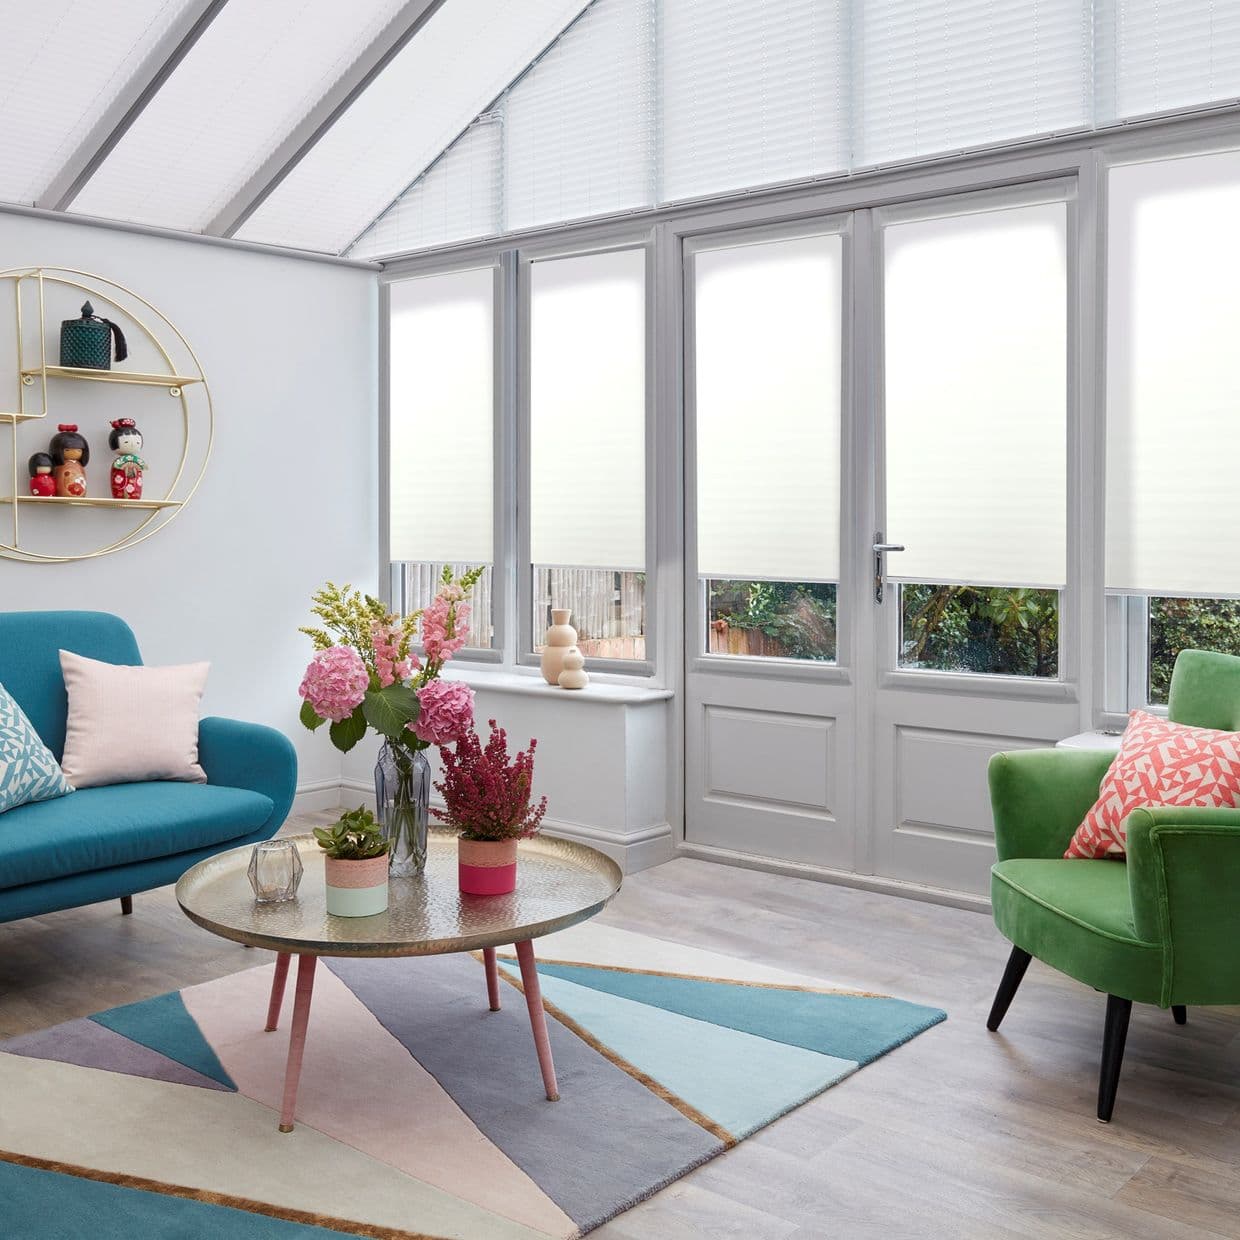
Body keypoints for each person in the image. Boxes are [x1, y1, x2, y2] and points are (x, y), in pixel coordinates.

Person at [108, 418, 146, 500]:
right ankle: (120, 495)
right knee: (119, 481)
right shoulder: (118, 462)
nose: (132, 445)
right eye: (126, 442)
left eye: (137, 442)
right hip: (122, 486)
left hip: (134, 485)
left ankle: (135, 495)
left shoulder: (136, 461)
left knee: (136, 482)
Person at [49, 424, 89, 498]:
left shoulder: (79, 464)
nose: (74, 452)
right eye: (67, 450)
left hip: (80, 490)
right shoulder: (61, 466)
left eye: (79, 450)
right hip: (64, 491)